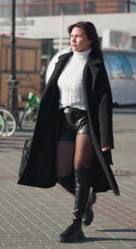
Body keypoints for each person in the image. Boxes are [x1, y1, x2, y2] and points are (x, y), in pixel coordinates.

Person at [17, 21, 120, 243]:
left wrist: (106, 137)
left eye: (78, 36)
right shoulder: (64, 60)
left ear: (90, 39)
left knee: (80, 171)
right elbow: (52, 91)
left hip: (84, 121)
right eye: (71, 36)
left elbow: (104, 101)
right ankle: (86, 201)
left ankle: (76, 225)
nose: (73, 40)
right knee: (62, 172)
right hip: (63, 120)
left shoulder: (95, 64)